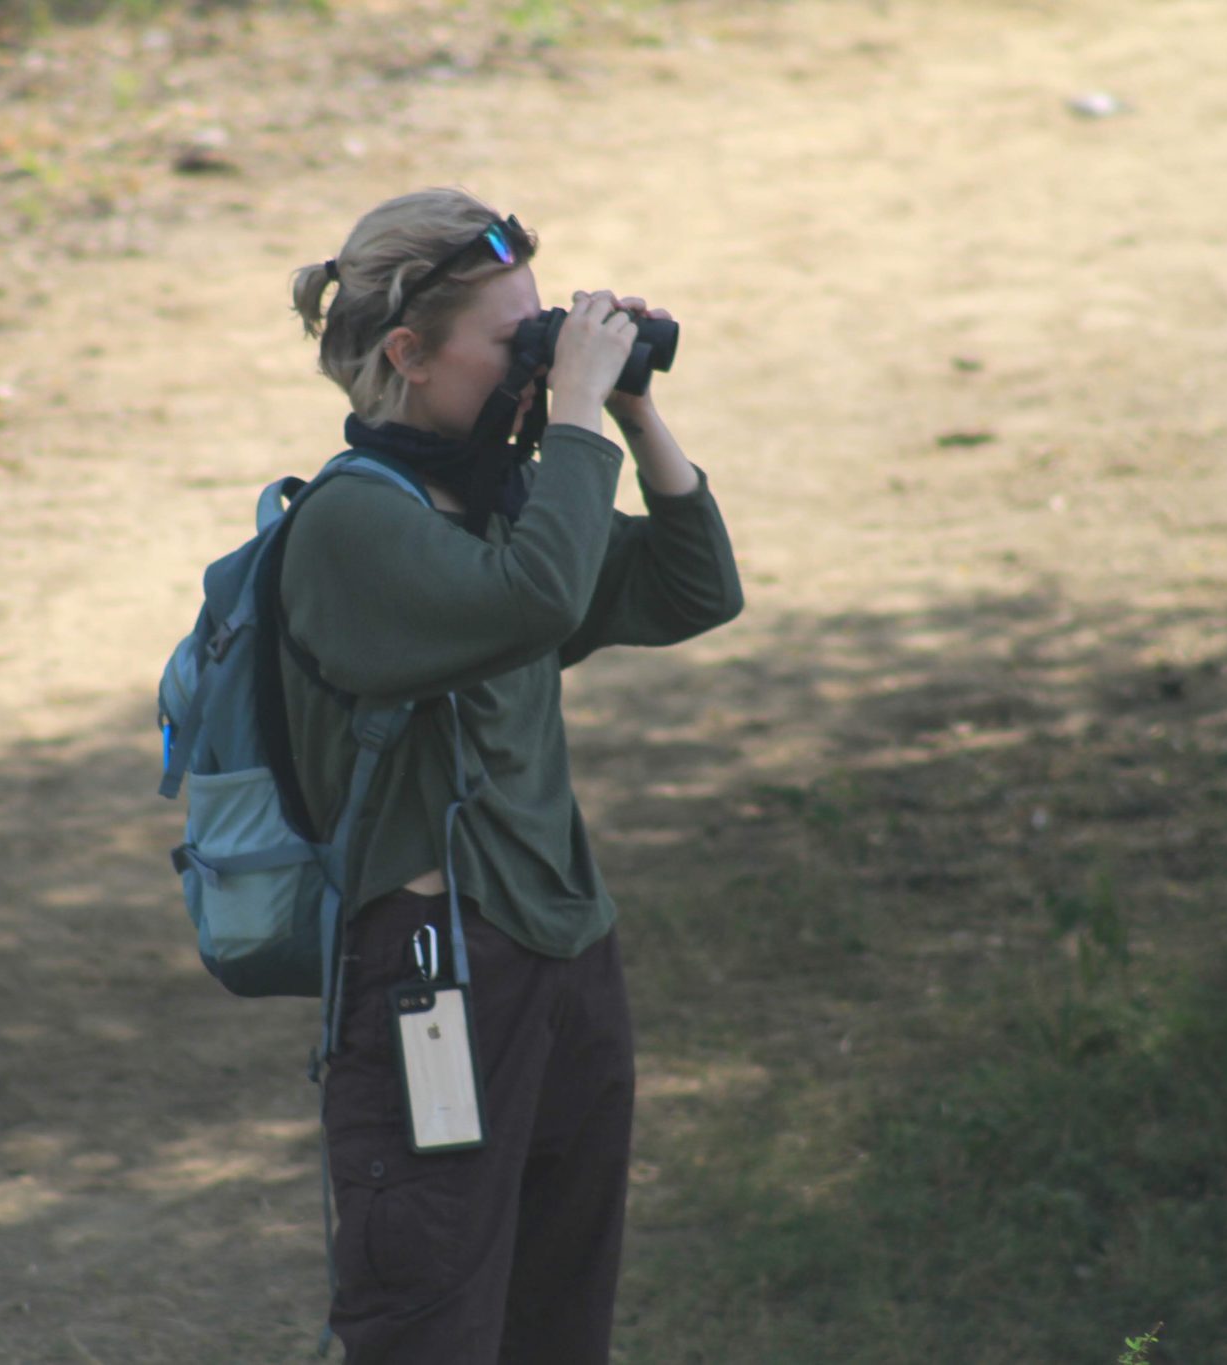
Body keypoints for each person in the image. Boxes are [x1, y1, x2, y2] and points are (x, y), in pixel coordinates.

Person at [280, 186, 745, 1364]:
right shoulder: (350, 527)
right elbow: (536, 596)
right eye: (514, 340)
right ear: (407, 354)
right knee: (430, 1325)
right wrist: (579, 414)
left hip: (563, 948)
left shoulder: (508, 505)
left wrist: (631, 411)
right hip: (432, 971)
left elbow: (695, 590)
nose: (541, 362)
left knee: (558, 1318)